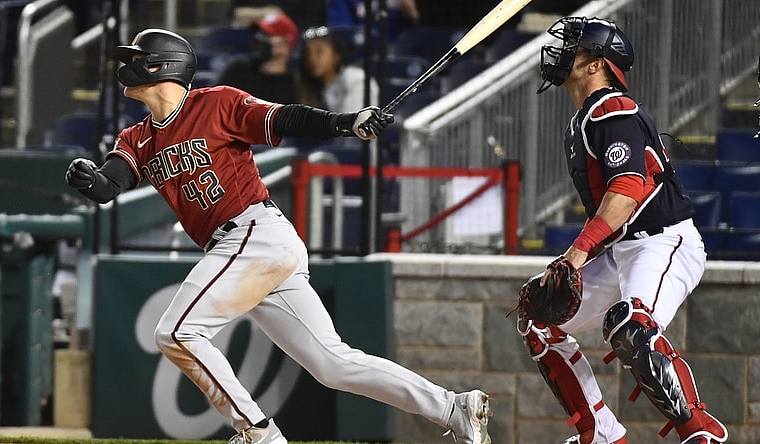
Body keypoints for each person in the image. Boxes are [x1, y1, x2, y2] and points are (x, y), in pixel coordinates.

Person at [64, 28, 492, 444]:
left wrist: (345, 122)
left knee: (176, 332)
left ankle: (258, 432)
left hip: (253, 234)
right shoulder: (136, 137)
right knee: (333, 363)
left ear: (163, 66)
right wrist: (90, 180)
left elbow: (286, 116)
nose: (129, 66)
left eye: (137, 58)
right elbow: (109, 187)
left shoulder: (215, 103)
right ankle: (453, 407)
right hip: (248, 247)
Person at [522, 17, 729, 444]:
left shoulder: (611, 107)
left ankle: (700, 433)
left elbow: (629, 189)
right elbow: (607, 211)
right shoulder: (582, 121)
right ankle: (598, 433)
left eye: (574, 49)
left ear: (597, 63)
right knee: (540, 316)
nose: (562, 54)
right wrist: (581, 258)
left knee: (631, 325)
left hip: (665, 240)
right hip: (624, 249)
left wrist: (576, 254)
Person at [217, 11, 300, 104]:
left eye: (265, 36)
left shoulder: (296, 85)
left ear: (284, 46)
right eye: (259, 34)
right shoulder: (238, 69)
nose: (258, 39)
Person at [296, 25, 378, 113]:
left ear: (337, 55)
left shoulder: (357, 80)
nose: (312, 59)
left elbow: (355, 124)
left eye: (319, 52)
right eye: (308, 53)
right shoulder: (306, 84)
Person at [326, 0, 420, 42]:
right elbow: (341, 33)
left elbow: (414, 24)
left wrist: (410, 12)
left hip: (397, 52)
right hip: (360, 57)